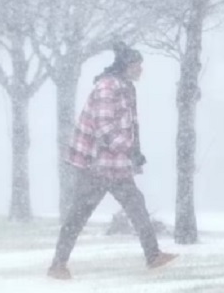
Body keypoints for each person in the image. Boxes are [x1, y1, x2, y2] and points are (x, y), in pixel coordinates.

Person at [47, 42, 177, 280]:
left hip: (114, 164)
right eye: (138, 65)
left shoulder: (125, 87)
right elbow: (104, 128)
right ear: (127, 65)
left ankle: (153, 255)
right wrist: (129, 150)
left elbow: (128, 126)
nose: (141, 70)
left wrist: (134, 152)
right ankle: (58, 265)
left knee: (136, 205)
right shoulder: (108, 87)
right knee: (79, 214)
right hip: (95, 165)